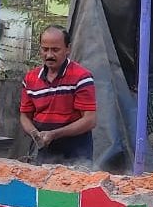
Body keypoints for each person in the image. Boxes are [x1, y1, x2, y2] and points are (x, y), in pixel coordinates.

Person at [20, 25, 97, 166]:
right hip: (44, 149)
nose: (49, 55)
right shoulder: (30, 79)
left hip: (76, 151)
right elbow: (25, 116)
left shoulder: (81, 77)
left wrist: (54, 134)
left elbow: (89, 120)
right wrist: (35, 133)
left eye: (55, 50)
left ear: (68, 49)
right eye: (45, 49)